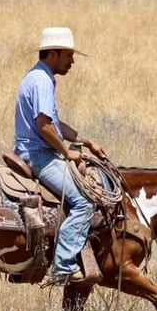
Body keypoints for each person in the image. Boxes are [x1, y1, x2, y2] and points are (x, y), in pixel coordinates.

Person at [14, 27, 108, 285]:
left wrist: (86, 141)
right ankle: (64, 265)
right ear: (53, 54)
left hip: (35, 151)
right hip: (38, 155)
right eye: (68, 55)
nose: (72, 61)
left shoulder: (38, 77)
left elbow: (55, 124)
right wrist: (67, 153)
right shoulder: (42, 81)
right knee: (84, 202)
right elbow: (44, 126)